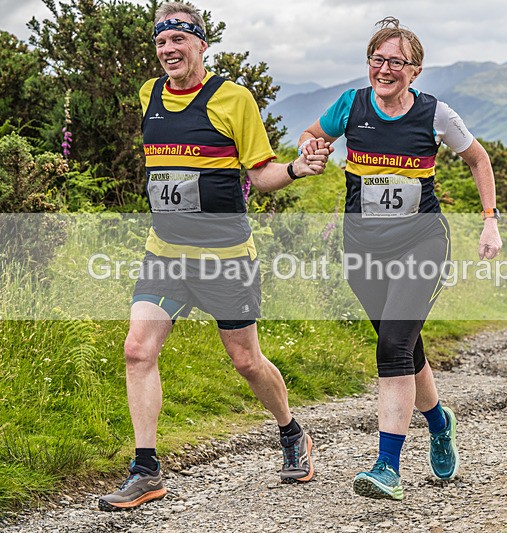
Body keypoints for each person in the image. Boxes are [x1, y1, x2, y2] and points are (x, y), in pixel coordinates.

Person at [98, 1, 331, 511]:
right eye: (161, 41)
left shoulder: (234, 99)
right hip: (164, 255)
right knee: (137, 349)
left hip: (226, 258)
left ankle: (292, 432)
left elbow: (261, 175)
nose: (168, 49)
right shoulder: (149, 94)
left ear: (201, 44)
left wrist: (298, 169)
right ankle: (146, 470)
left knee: (246, 360)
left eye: (178, 39)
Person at [298, 17, 502, 500]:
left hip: (421, 242)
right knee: (404, 347)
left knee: (392, 346)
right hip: (363, 248)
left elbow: (479, 159)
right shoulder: (350, 106)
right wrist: (311, 148)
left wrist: (489, 220)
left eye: (396, 62)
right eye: (378, 59)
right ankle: (439, 422)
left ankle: (387, 467)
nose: (385, 69)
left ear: (415, 71)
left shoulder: (436, 114)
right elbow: (311, 135)